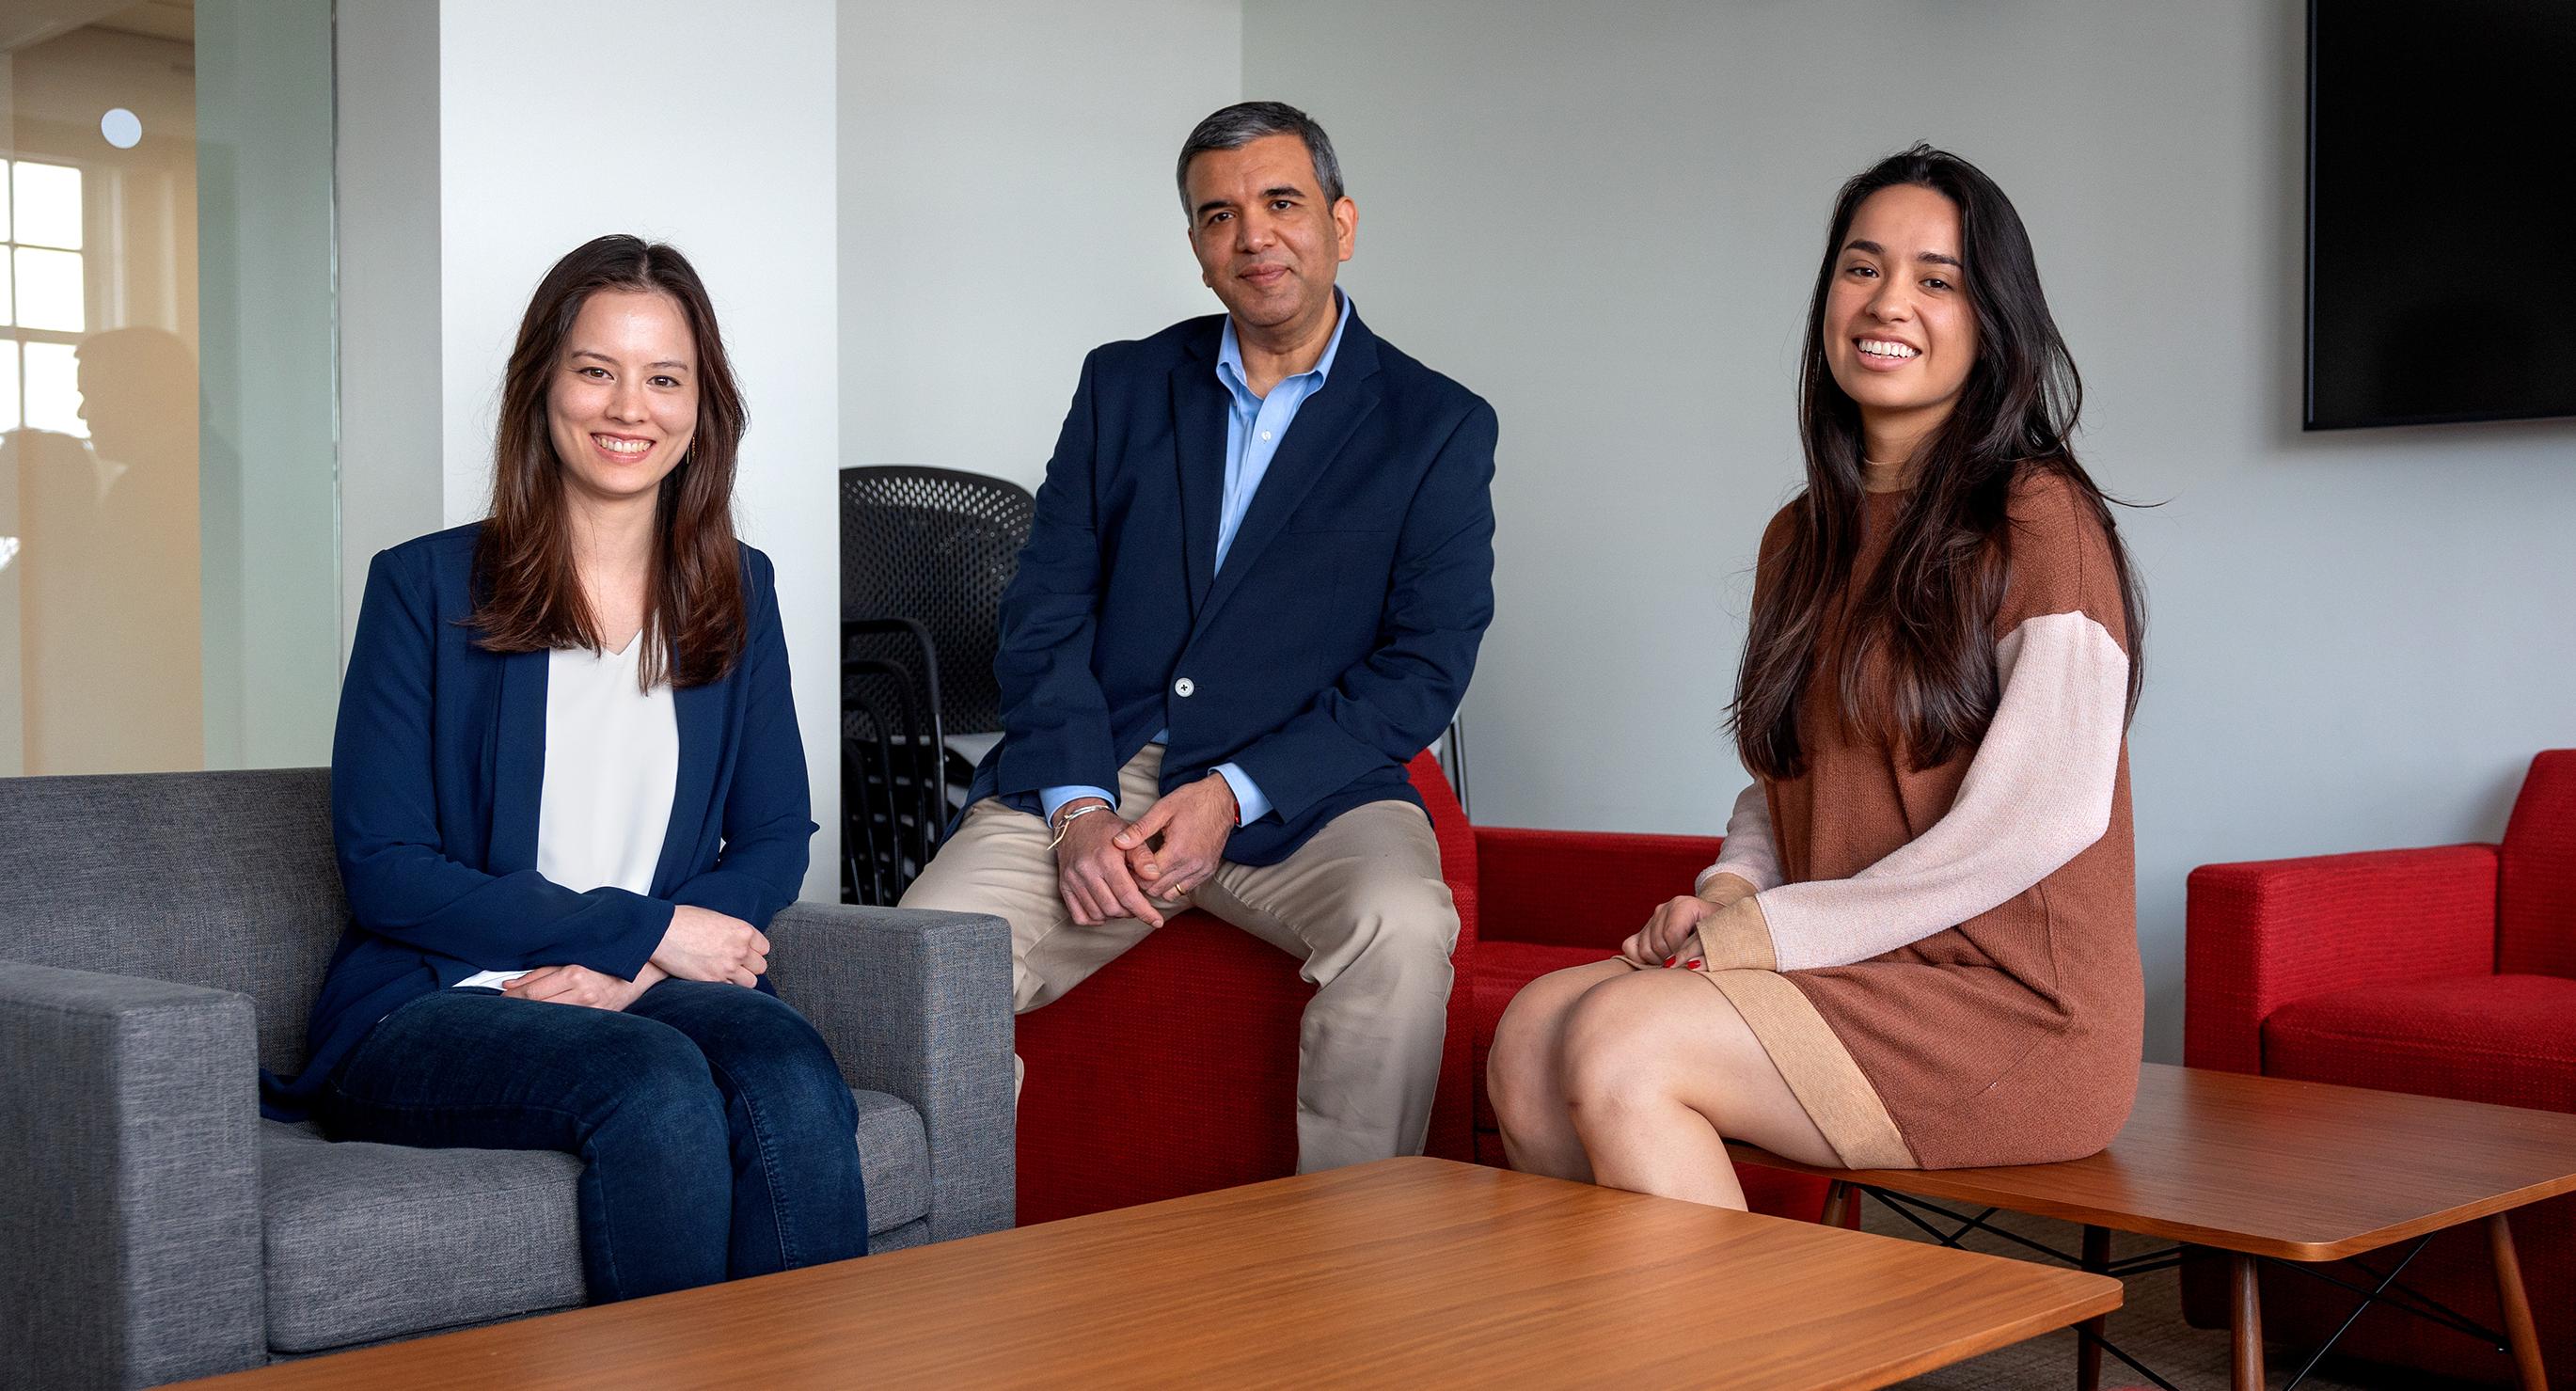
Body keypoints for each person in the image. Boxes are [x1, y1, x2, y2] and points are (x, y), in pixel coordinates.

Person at [1486, 145, 2148, 1206]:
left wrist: (1765, 936)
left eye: (1938, 279)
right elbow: (1785, 772)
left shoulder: (2038, 518)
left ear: (1993, 324)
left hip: (2012, 1011)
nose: (1890, 301)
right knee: (1529, 1032)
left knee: (1623, 1042)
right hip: (1855, 972)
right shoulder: (1801, 538)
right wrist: (1730, 891)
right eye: (1862, 267)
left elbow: (2042, 818)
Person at [261, 235, 867, 1299]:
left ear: (701, 407)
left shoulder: (740, 589)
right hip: (434, 1002)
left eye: (663, 378)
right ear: (543, 384)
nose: (629, 407)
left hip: (637, 985)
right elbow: (388, 869)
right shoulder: (424, 587)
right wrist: (644, 928)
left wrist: (639, 966)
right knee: (655, 1084)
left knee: (789, 1067)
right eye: (597, 370)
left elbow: (776, 834)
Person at [900, 101, 1497, 1173]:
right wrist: (1077, 808)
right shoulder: (1123, 384)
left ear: (1342, 223)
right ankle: (955, 1283)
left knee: (1402, 929)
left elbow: (1426, 665)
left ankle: (1356, 1290)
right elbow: (1046, 612)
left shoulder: (1437, 423)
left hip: (1308, 792)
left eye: (1282, 203)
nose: (1254, 236)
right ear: (1196, 248)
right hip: (1108, 767)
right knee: (921, 957)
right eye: (1219, 216)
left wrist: (1235, 793)